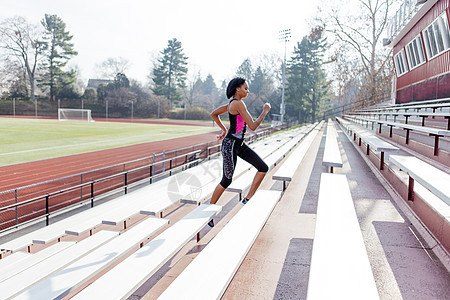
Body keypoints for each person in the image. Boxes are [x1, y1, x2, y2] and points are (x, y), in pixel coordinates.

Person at [208, 77, 271, 227]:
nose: (247, 91)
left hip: (239, 144)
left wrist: (224, 129)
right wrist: (265, 112)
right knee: (226, 180)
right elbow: (253, 126)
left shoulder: (232, 104)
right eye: (245, 88)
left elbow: (213, 114)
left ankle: (247, 199)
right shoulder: (238, 104)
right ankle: (209, 212)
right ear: (237, 89)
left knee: (263, 168)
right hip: (230, 145)